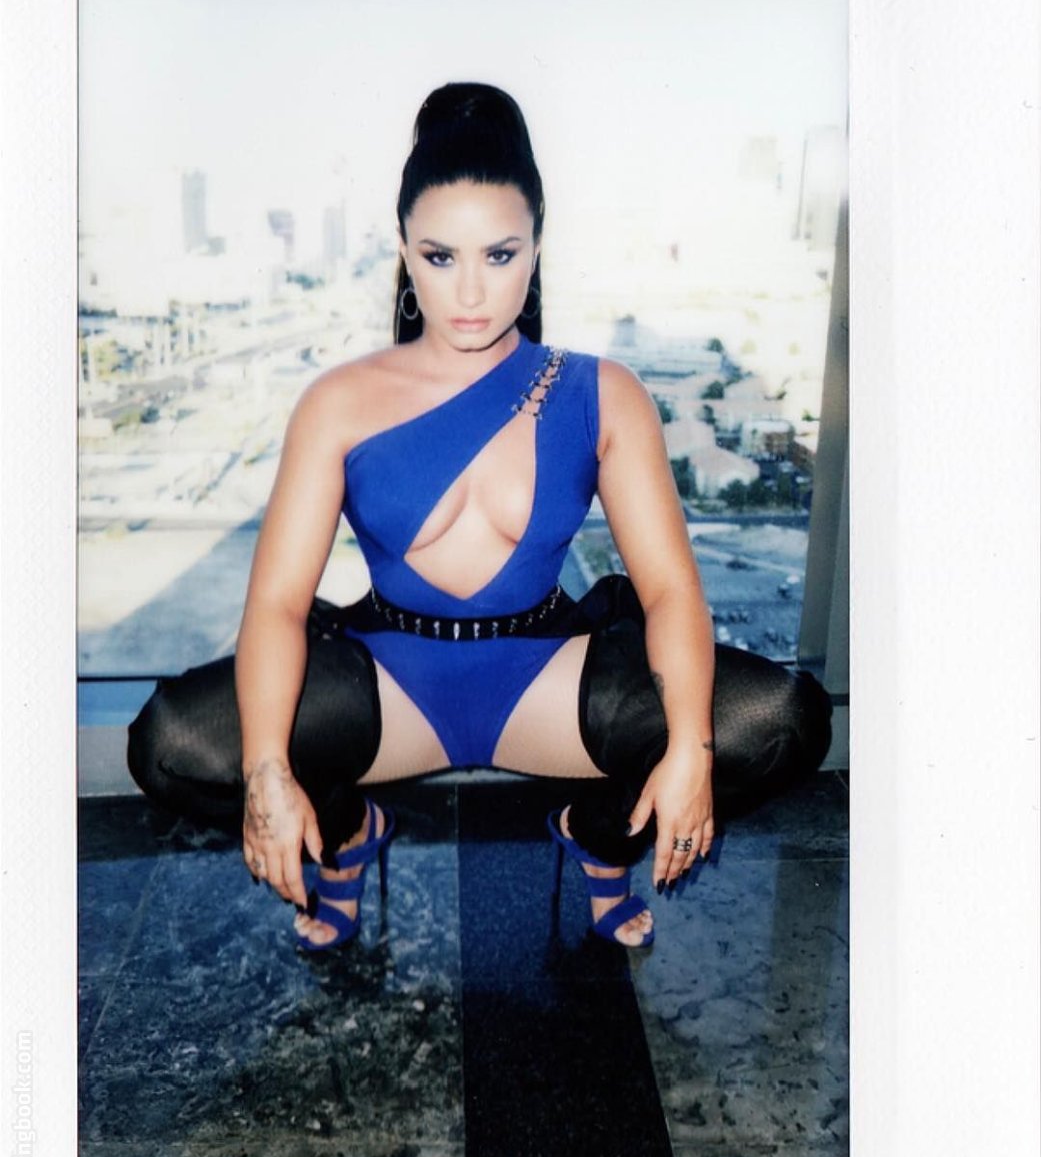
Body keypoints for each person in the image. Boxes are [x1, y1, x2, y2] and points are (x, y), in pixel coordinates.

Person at [128, 83, 831, 952]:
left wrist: (689, 747)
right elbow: (275, 603)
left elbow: (669, 591)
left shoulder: (600, 392)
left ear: (536, 248)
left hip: (546, 677)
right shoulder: (337, 402)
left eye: (499, 255)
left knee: (780, 720)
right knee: (171, 743)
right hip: (390, 681)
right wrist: (269, 771)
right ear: (403, 250)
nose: (469, 291)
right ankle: (347, 835)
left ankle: (599, 839)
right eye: (439, 256)